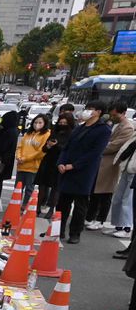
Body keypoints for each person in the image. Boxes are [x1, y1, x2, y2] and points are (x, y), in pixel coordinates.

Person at [56, 100, 112, 244]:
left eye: (91, 109)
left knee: (80, 205)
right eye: (87, 108)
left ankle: (75, 233)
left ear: (99, 112)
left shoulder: (103, 130)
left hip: (84, 172)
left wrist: (73, 165)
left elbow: (95, 153)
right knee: (62, 203)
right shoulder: (79, 128)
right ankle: (58, 230)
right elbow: (66, 147)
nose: (87, 111)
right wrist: (61, 163)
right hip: (66, 169)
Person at [86, 102, 135, 232]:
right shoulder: (113, 124)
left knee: (106, 194)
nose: (112, 117)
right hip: (103, 162)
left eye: (115, 114)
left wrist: (98, 147)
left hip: (111, 163)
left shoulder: (127, 127)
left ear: (123, 113)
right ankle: (92, 218)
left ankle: (101, 220)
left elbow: (115, 145)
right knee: (97, 192)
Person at [36, 112, 74, 217]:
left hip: (59, 162)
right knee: (42, 186)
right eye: (60, 122)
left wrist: (57, 146)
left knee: (55, 188)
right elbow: (44, 148)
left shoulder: (71, 135)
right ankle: (38, 207)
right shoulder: (54, 132)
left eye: (64, 123)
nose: (62, 124)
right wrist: (48, 146)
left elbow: (67, 150)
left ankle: (51, 209)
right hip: (47, 161)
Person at [14, 114, 51, 208]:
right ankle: (15, 204)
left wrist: (26, 158)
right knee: (18, 187)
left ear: (45, 123)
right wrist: (18, 156)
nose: (37, 124)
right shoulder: (28, 133)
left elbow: (41, 151)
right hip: (21, 165)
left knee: (29, 189)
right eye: (35, 122)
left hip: (33, 166)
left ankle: (25, 206)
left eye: (40, 122)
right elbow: (20, 146)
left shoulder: (46, 134)